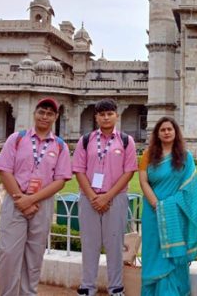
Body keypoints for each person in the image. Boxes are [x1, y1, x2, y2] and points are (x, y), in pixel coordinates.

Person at [0, 97, 72, 296]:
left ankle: (29, 293)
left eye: (49, 114)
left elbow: (60, 180)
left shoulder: (60, 146)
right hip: (15, 201)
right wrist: (21, 198)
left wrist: (31, 200)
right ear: (34, 113)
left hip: (41, 204)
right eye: (41, 112)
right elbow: (4, 170)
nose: (45, 117)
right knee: (9, 254)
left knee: (34, 256)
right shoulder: (17, 139)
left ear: (56, 117)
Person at [72, 99, 138, 296]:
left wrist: (107, 196)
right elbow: (79, 170)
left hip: (115, 198)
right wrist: (94, 196)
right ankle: (87, 286)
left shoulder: (126, 141)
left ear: (117, 115)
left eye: (109, 113)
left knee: (115, 244)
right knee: (89, 243)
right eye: (102, 114)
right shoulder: (86, 140)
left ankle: (116, 287)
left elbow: (129, 172)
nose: (106, 117)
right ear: (96, 117)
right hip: (89, 197)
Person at [138, 116, 197, 295]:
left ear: (175, 133)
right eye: (163, 130)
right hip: (152, 212)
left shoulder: (185, 157)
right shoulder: (148, 155)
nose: (166, 132)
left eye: (170, 129)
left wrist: (167, 206)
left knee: (175, 256)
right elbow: (143, 181)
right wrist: (156, 204)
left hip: (177, 213)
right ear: (157, 134)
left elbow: (190, 188)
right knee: (153, 252)